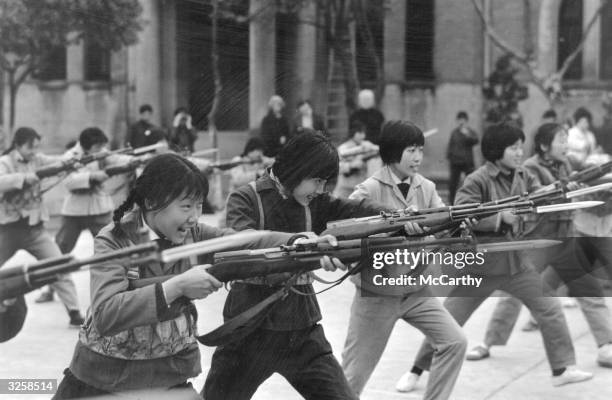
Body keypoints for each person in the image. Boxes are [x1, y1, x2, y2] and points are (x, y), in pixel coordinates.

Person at [51, 153, 312, 399]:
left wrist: (299, 241)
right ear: (152, 202)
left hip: (166, 376)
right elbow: (107, 313)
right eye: (186, 206)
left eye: (199, 206)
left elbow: (245, 242)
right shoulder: (114, 239)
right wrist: (177, 286)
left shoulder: (194, 234)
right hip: (100, 379)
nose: (194, 217)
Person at [204, 130, 402, 400]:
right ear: (297, 168)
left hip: (301, 331)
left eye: (325, 183)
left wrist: (398, 218)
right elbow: (241, 245)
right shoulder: (246, 198)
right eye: (317, 181)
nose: (321, 190)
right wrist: (302, 245)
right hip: (249, 331)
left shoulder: (316, 201)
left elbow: (356, 209)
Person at [399, 123, 593, 389]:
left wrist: (557, 190)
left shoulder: (522, 173)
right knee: (448, 322)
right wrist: (499, 218)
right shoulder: (478, 178)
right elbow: (461, 214)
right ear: (496, 149)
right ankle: (416, 370)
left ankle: (561, 369)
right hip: (483, 265)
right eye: (513, 147)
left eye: (520, 146)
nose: (518, 152)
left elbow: (536, 195)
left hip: (516, 263)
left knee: (550, 308)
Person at [464, 123, 612, 368]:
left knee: (589, 289)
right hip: (539, 241)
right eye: (561, 141)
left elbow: (584, 176)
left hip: (566, 237)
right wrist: (563, 188)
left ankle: (606, 345)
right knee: (513, 294)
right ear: (544, 146)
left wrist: (584, 182)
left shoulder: (566, 163)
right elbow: (542, 194)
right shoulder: (529, 167)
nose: (566, 145)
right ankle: (489, 342)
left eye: (567, 140)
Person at [340, 120, 467, 400]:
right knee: (351, 379)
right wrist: (394, 228)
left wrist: (460, 226)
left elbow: (445, 222)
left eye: (420, 150)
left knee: (454, 342)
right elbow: (345, 234)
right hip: (376, 295)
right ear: (393, 152)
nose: (418, 157)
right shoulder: (368, 190)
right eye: (411, 150)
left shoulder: (427, 188)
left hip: (415, 290)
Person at [0, 127, 84, 328]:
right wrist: (24, 178)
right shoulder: (5, 162)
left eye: (37, 147)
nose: (34, 152)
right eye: (31, 147)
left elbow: (59, 161)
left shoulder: (37, 159)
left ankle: (74, 312)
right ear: (19, 145)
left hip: (35, 231)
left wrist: (78, 154)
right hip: (8, 231)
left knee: (59, 265)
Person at [333, 121, 379, 198]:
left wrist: (370, 150)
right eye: (360, 133)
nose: (363, 136)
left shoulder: (366, 145)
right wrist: (351, 165)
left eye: (364, 133)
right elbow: (337, 167)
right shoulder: (343, 148)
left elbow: (378, 150)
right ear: (353, 133)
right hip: (345, 187)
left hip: (360, 188)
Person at [446, 111, 479, 204]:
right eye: (459, 120)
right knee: (453, 184)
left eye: (463, 120)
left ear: (466, 121)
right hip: (455, 162)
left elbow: (475, 140)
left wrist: (466, 134)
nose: (461, 122)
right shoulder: (454, 132)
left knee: (471, 182)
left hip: (467, 162)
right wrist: (450, 157)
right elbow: (450, 146)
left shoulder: (470, 132)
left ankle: (472, 201)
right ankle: (452, 203)